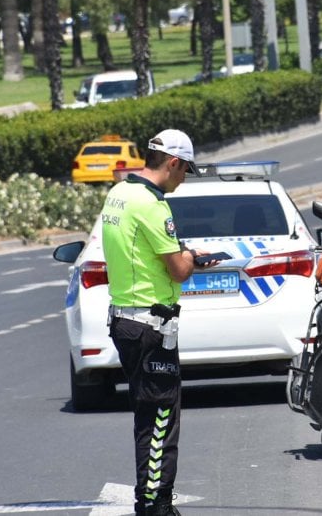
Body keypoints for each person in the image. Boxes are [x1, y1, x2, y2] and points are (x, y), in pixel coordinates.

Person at [99, 128, 214, 516]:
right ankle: (155, 505)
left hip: (126, 319)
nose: (184, 179)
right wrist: (193, 258)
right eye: (185, 171)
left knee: (148, 414)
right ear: (173, 163)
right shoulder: (152, 204)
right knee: (161, 417)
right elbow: (179, 271)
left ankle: (151, 501)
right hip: (150, 326)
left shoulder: (119, 194)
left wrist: (183, 253)